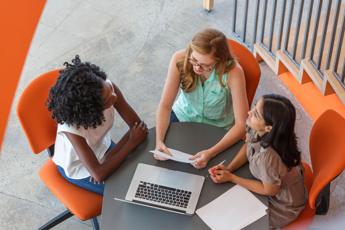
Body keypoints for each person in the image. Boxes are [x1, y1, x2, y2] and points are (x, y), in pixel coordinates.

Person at [47, 55, 148, 195]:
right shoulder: (71, 129)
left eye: (110, 90)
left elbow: (138, 127)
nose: (114, 96)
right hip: (79, 167)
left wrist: (110, 158)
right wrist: (130, 143)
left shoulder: (107, 88)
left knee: (141, 172)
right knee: (127, 193)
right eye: (107, 100)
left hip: (102, 149)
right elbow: (99, 175)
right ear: (90, 109)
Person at [209, 94, 307, 228]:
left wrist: (232, 178)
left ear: (268, 128)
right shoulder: (257, 128)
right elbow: (248, 145)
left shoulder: (269, 157)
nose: (249, 112)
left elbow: (270, 190)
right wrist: (229, 168)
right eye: (254, 106)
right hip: (267, 180)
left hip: (281, 203)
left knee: (235, 221)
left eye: (256, 114)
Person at [155, 28, 249, 168]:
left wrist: (211, 153)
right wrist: (159, 141)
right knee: (162, 166)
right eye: (194, 60)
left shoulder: (234, 72)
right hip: (183, 116)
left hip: (218, 127)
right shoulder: (179, 59)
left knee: (215, 175)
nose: (198, 68)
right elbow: (165, 106)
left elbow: (242, 125)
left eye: (206, 66)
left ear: (220, 61)